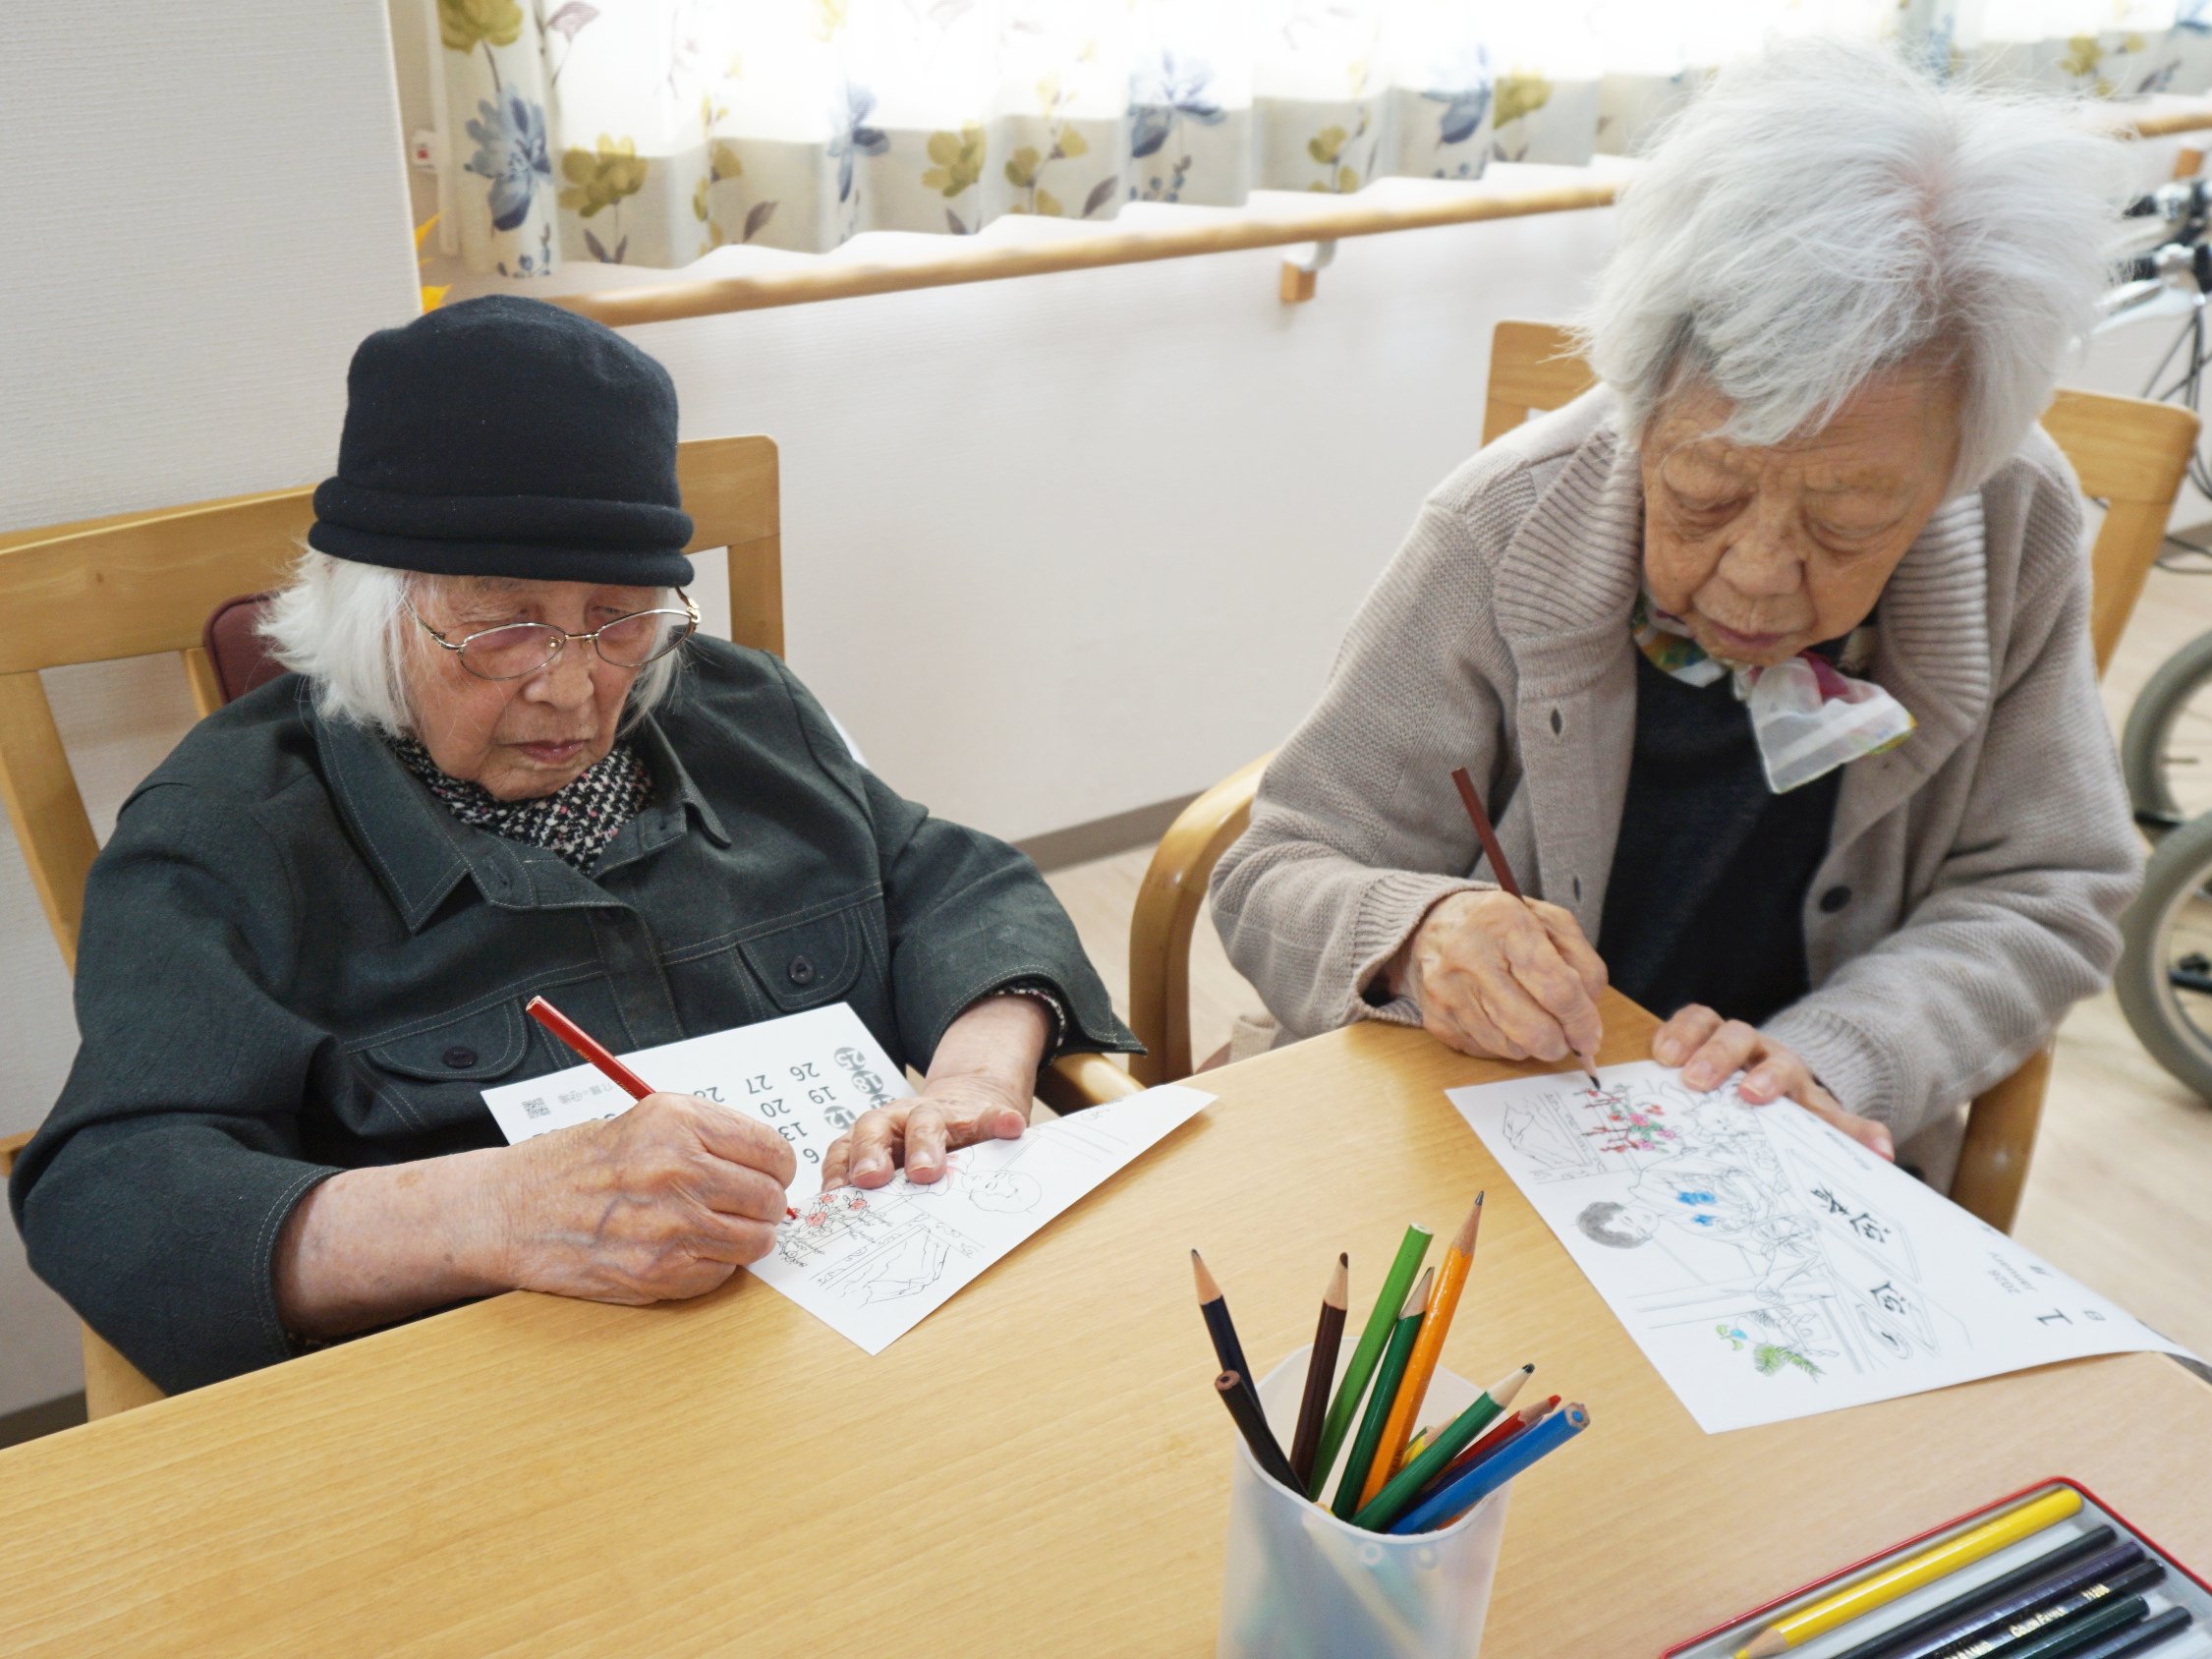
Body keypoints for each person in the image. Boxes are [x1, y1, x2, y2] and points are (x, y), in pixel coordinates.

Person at [8, 296, 1135, 1394]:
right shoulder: (225, 833)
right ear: (375, 607)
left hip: (851, 1357)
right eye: (504, 626)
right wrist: (493, 1210)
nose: (572, 684)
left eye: (618, 618)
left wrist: (970, 1077)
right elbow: (112, 1192)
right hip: (505, 1416)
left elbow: (957, 883)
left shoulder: (747, 715)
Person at [1210, 43, 2140, 1182]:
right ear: (1637, 411)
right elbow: (1281, 867)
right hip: (1463, 1131)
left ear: (1954, 468)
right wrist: (1415, 935)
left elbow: (2047, 886)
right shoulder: (1501, 527)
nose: (1754, 577)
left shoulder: (2010, 518)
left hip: (1791, 1161)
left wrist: (1842, 1051)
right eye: (1704, 493)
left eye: (1846, 522)